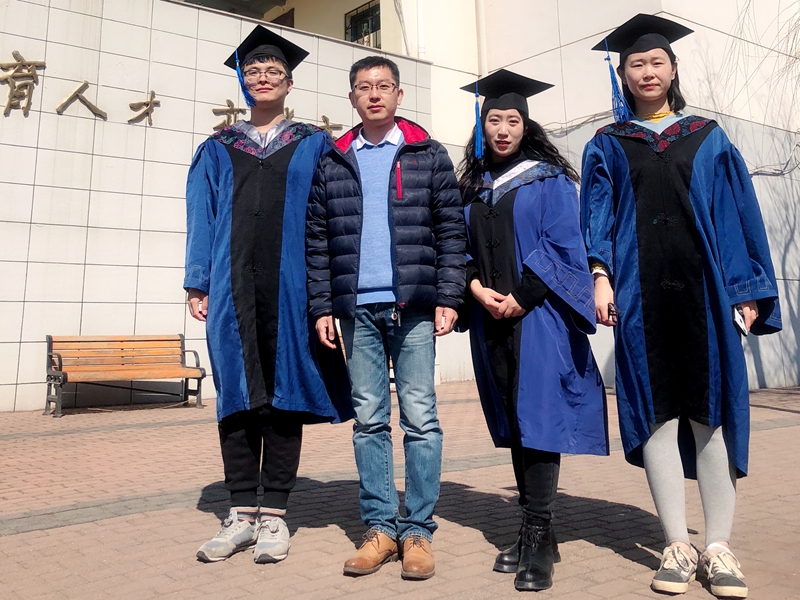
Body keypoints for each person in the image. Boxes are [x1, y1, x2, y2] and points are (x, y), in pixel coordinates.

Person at [580, 14, 781, 598]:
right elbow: (596, 215)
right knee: (657, 417)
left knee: (709, 415)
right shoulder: (608, 144)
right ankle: (675, 542)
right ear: (623, 75)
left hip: (706, 295)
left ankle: (717, 546)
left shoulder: (708, 137)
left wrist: (746, 291)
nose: (647, 71)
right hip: (639, 297)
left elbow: (737, 216)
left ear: (672, 69)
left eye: (656, 62)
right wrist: (600, 277)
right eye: (636, 64)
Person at [184, 25, 352, 565]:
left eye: (273, 70)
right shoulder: (218, 147)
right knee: (236, 395)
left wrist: (331, 289)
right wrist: (197, 281)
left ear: (289, 82)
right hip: (231, 287)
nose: (262, 77)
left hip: (292, 288)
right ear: (243, 81)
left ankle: (275, 514)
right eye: (253, 70)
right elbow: (201, 216)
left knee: (284, 395)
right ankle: (239, 514)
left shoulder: (314, 144)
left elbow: (332, 218)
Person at [306, 56, 466, 580]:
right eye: (364, 87)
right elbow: (318, 242)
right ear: (352, 97)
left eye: (383, 86)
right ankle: (379, 528)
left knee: (420, 419)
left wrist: (449, 295)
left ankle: (417, 530)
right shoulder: (334, 159)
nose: (374, 94)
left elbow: (451, 230)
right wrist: (323, 306)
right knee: (369, 421)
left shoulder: (427, 153)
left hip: (413, 306)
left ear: (399, 94)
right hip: (357, 311)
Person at [456, 70, 609, 592]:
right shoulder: (472, 187)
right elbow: (458, 248)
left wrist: (523, 296)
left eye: (513, 121)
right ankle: (534, 531)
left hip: (537, 318)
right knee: (515, 423)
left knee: (539, 421)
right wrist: (475, 288)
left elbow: (565, 244)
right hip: (489, 318)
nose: (503, 129)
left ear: (526, 125)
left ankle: (539, 535)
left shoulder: (549, 180)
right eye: (494, 120)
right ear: (482, 125)